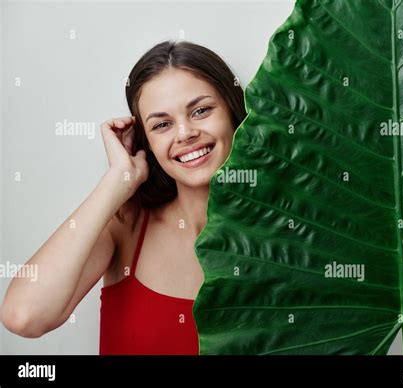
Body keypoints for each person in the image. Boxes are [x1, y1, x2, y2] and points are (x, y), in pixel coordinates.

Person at [0, 40, 247, 354]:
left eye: (201, 110)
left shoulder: (288, 236)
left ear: (233, 111)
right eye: (162, 124)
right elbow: (23, 316)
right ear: (146, 140)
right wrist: (117, 180)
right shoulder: (127, 226)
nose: (184, 133)